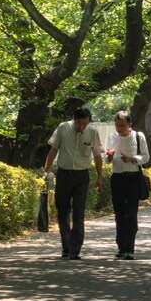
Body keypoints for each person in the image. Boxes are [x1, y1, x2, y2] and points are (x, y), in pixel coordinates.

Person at [42, 107, 104, 260]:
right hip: (64, 174)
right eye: (80, 123)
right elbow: (53, 151)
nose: (82, 127)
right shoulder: (63, 128)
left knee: (78, 213)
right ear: (74, 119)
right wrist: (46, 170)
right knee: (63, 211)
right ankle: (66, 246)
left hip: (82, 176)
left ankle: (75, 249)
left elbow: (97, 156)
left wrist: (100, 176)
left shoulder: (92, 132)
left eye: (85, 124)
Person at [104, 110, 149, 260]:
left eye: (122, 125)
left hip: (133, 178)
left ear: (130, 124)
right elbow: (106, 158)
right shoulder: (111, 137)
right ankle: (121, 247)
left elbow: (146, 157)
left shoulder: (138, 136)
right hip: (117, 178)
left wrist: (133, 158)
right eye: (117, 125)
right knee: (119, 214)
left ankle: (129, 248)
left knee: (131, 214)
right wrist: (109, 156)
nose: (119, 128)